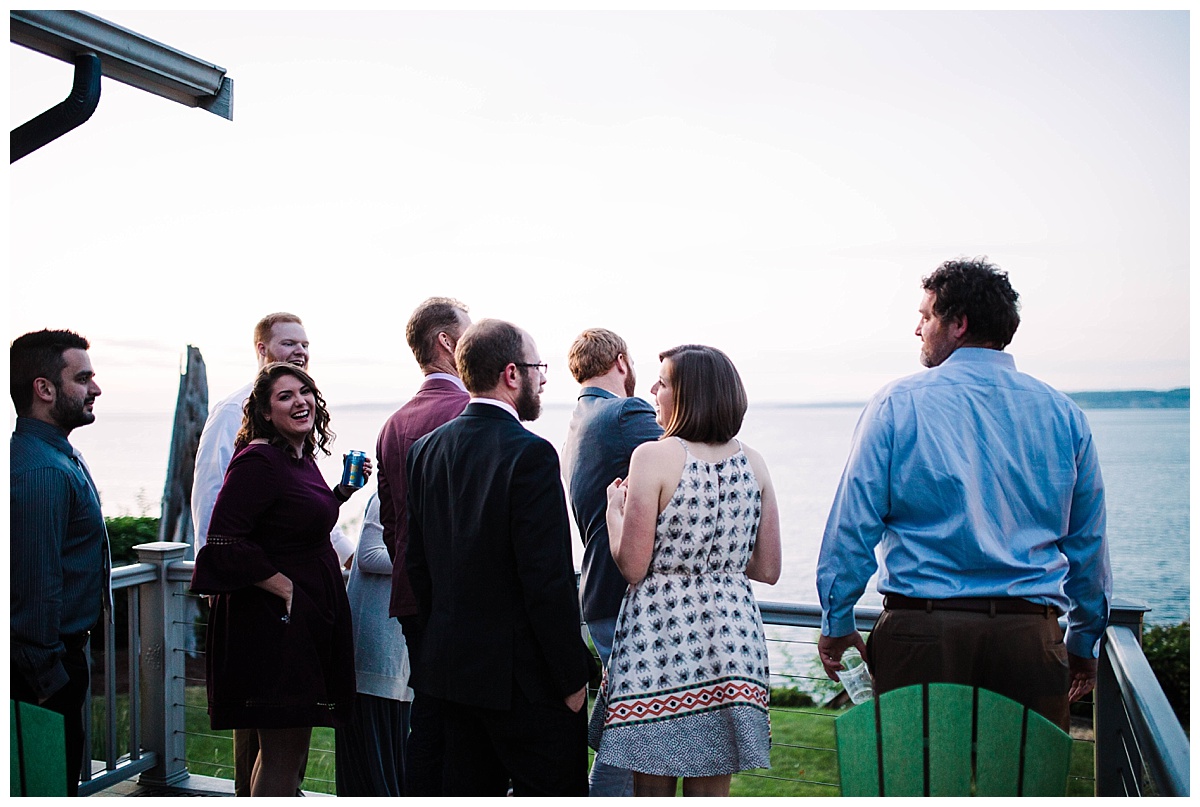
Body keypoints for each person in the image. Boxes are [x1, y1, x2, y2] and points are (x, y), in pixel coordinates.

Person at [815, 258, 1111, 733]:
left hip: (921, 638)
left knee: (916, 788)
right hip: (1030, 640)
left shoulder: (897, 403)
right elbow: (1088, 544)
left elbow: (854, 523)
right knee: (1022, 789)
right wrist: (1083, 641)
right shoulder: (1065, 415)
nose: (917, 329)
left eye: (927, 316)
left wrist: (837, 619)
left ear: (958, 324)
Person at [405, 319, 595, 796]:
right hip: (524, 687)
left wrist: (435, 654)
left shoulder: (425, 451)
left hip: (448, 678)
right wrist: (573, 678)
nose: (544, 379)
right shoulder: (530, 455)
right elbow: (547, 581)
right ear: (512, 374)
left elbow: (418, 568)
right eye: (538, 367)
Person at [595, 344, 782, 797]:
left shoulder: (653, 457)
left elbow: (634, 566)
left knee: (653, 792)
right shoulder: (753, 463)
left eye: (664, 383)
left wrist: (613, 515)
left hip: (662, 644)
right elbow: (769, 567)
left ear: (689, 396)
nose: (653, 391)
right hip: (734, 644)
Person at [190, 362, 371, 796]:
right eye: (285, 396)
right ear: (265, 413)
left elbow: (297, 525)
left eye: (305, 391)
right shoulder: (259, 460)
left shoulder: (300, 458)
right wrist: (286, 589)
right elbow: (223, 541)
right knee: (282, 756)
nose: (300, 401)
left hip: (302, 622)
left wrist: (342, 494)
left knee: (282, 755)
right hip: (274, 628)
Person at [375, 297, 471, 796]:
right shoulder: (465, 412)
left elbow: (393, 523)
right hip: (459, 603)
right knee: (464, 729)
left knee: (428, 719)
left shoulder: (392, 424)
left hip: (411, 596)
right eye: (468, 335)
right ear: (447, 342)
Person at [560, 327, 662, 797]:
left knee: (628, 738)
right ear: (622, 361)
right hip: (627, 599)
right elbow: (683, 465)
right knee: (631, 747)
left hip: (599, 596)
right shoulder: (626, 412)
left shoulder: (578, 425)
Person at [11, 329, 112, 797]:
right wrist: (50, 682)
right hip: (41, 675)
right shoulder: (42, 470)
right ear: (44, 389)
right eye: (84, 378)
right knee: (47, 785)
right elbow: (35, 585)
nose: (95, 388)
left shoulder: (56, 456)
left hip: (57, 665)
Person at [334, 493, 413, 796]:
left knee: (394, 772)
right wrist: (427, 557)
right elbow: (367, 555)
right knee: (373, 780)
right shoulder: (388, 495)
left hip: (400, 658)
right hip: (375, 656)